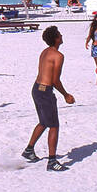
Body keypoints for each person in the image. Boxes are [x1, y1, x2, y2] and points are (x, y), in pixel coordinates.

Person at [22, 26, 75, 171]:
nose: (62, 35)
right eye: (59, 34)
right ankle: (52, 161)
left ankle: (29, 150)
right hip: (45, 92)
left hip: (36, 89)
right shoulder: (58, 56)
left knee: (44, 122)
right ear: (56, 38)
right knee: (54, 126)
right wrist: (66, 95)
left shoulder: (45, 52)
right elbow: (55, 80)